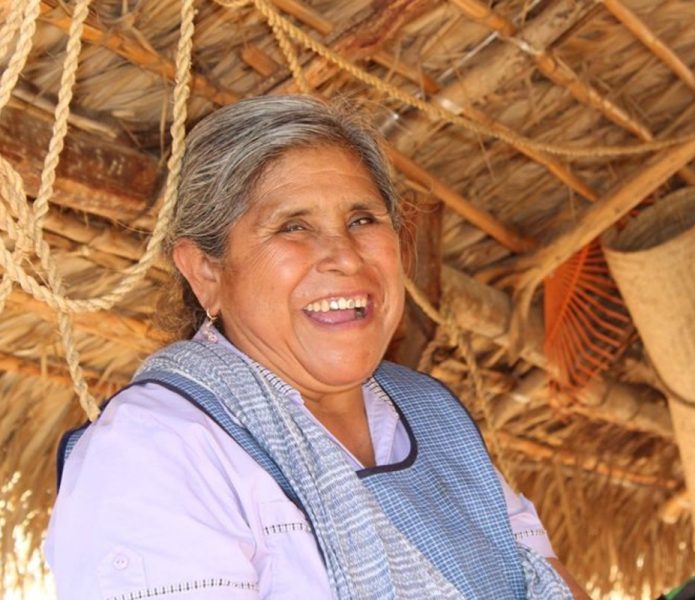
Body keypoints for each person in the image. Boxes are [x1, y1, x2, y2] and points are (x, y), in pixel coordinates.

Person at [45, 95, 588, 599]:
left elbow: (546, 578)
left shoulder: (431, 415)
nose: (346, 257)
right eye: (292, 226)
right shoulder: (157, 451)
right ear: (205, 272)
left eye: (362, 220)